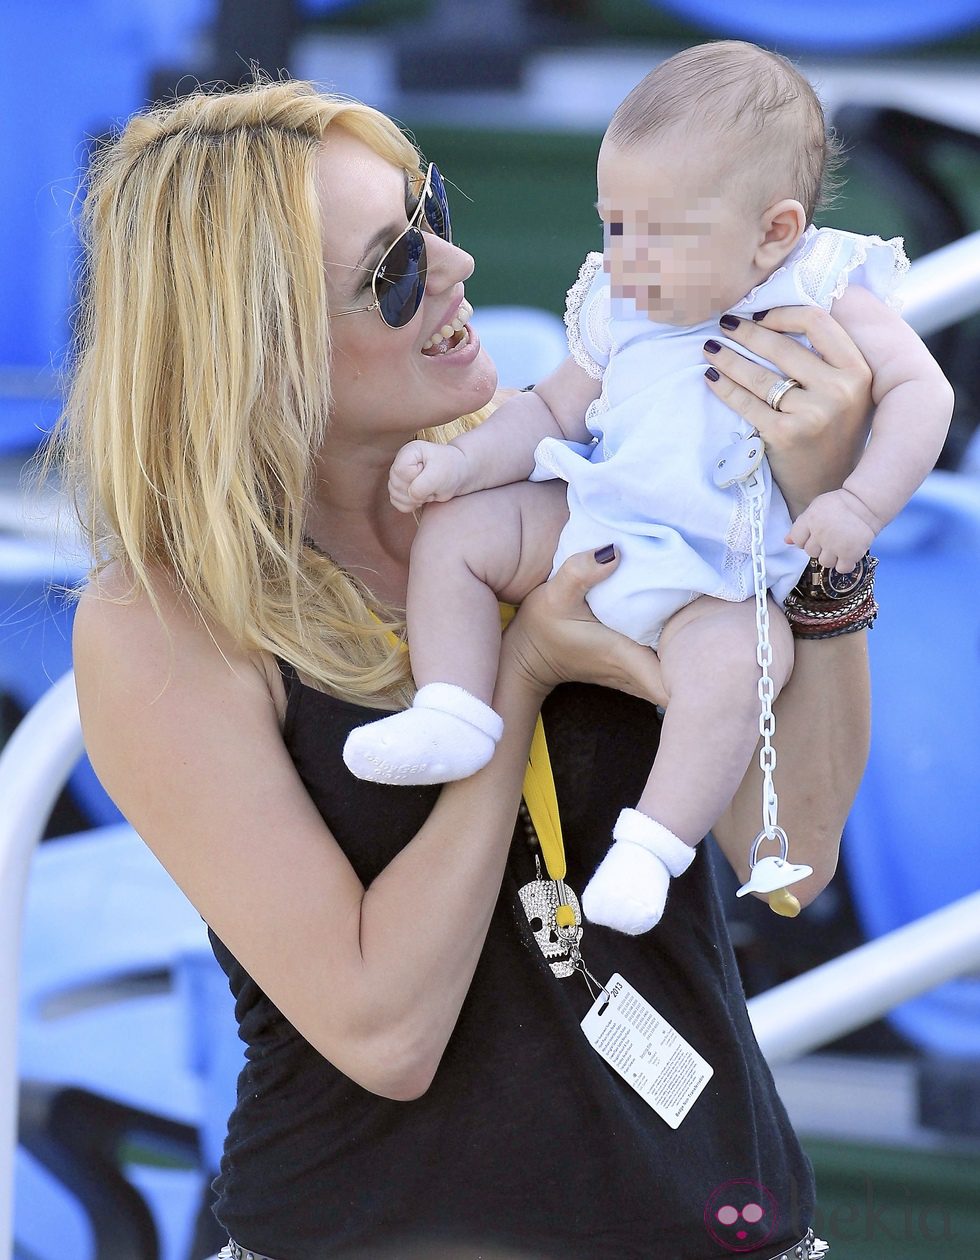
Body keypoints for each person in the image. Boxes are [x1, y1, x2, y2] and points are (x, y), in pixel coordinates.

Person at [64, 74, 876, 1260]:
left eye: (428, 211)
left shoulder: (567, 470)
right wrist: (521, 669)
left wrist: (818, 542)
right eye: (390, 268)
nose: (453, 267)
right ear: (259, 347)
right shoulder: (164, 619)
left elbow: (790, 860)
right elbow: (382, 1033)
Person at [343, 41, 952, 936]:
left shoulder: (819, 284)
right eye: (610, 224)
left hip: (717, 570)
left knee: (744, 670)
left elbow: (921, 392)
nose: (624, 257)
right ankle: (454, 706)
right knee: (460, 533)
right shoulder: (617, 302)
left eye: (655, 233)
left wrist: (855, 502)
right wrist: (463, 466)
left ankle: (653, 847)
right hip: (592, 520)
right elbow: (551, 408)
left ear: (773, 232)